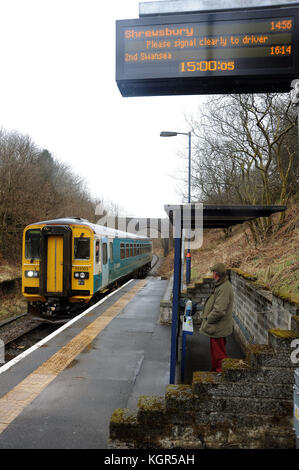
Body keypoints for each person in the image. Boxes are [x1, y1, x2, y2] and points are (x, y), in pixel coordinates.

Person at [199, 263, 234, 372]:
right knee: (216, 352)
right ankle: (215, 372)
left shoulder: (223, 288)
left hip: (218, 327)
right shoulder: (222, 285)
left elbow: (219, 310)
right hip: (218, 327)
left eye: (213, 272)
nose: (212, 274)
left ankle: (220, 376)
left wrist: (208, 319)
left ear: (217, 274)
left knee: (219, 354)